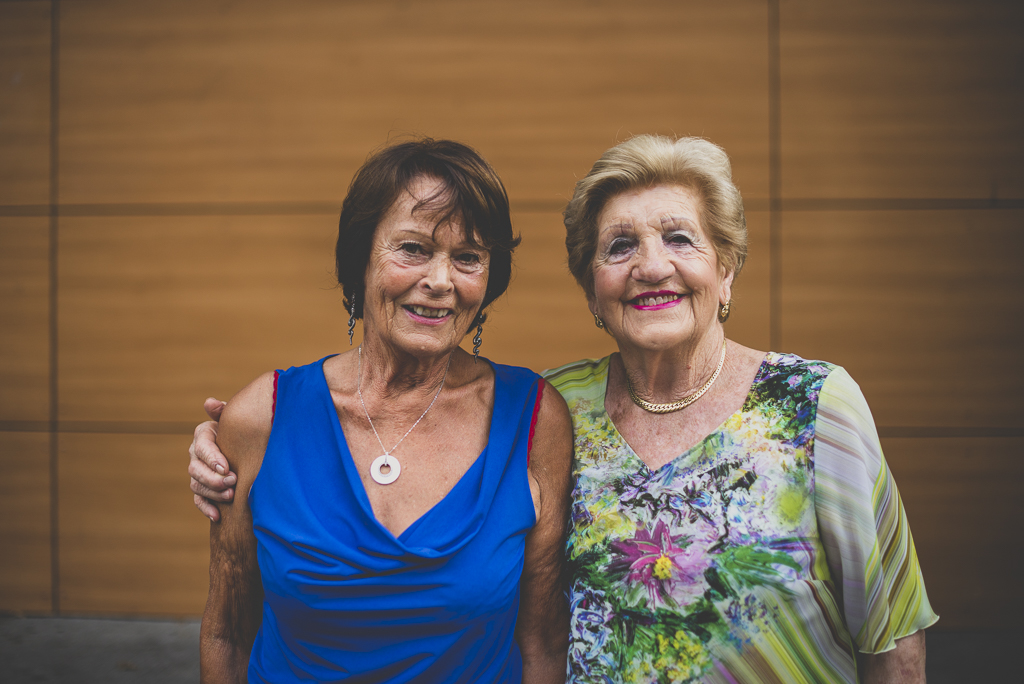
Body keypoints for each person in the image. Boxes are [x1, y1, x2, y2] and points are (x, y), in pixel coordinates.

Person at [193, 135, 937, 683]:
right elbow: (231, 615)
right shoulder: (564, 406)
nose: (652, 265)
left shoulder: (810, 405)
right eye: (620, 247)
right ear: (592, 290)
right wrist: (216, 450)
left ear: (726, 267)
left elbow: (892, 630)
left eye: (680, 238)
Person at [196, 138, 572, 683]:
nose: (441, 281)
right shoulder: (262, 417)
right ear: (360, 259)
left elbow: (542, 640)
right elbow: (224, 631)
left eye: (468, 258)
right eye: (413, 249)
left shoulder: (536, 420)